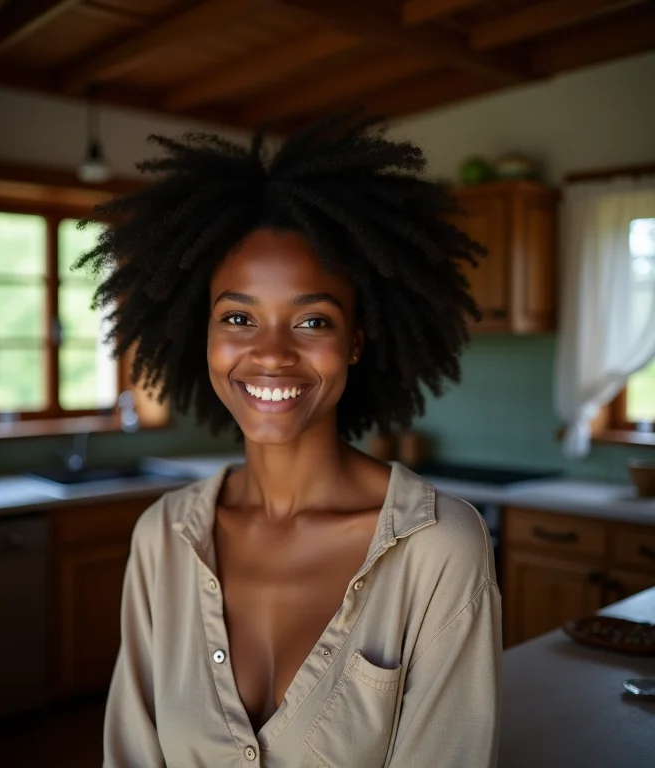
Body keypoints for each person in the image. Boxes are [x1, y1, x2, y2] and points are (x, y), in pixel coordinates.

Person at [76, 114, 502, 767]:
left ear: (355, 340)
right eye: (239, 317)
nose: (271, 354)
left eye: (312, 319)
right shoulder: (162, 539)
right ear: (205, 335)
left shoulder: (439, 549)